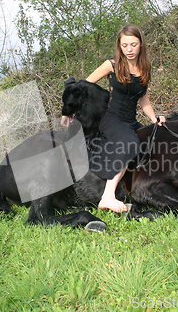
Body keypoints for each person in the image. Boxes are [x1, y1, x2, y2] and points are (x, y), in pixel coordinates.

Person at [61, 24, 166, 213]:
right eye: (124, 45)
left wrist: (154, 118)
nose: (129, 50)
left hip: (130, 120)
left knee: (153, 141)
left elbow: (143, 100)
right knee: (129, 142)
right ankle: (107, 196)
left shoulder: (144, 68)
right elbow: (83, 86)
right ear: (119, 45)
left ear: (141, 44)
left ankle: (146, 187)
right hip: (111, 119)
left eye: (133, 44)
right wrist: (68, 111)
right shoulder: (112, 65)